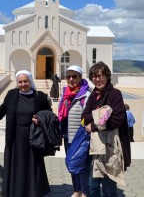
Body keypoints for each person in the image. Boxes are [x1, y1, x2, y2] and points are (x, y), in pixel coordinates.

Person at [0, 70, 51, 197]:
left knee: (32, 164)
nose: (23, 84)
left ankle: (32, 191)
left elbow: (49, 114)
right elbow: (0, 112)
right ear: (17, 83)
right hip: (15, 136)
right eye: (20, 82)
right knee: (16, 165)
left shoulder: (39, 97)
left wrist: (40, 119)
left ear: (30, 81)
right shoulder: (11, 94)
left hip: (33, 137)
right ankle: (16, 191)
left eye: (25, 81)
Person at [82, 61, 131, 197]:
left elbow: (117, 119)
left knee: (109, 187)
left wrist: (95, 125)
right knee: (92, 186)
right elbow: (85, 116)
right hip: (95, 148)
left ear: (107, 76)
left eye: (101, 75)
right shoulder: (93, 95)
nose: (98, 79)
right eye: (95, 76)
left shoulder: (115, 94)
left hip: (110, 147)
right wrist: (100, 117)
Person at [58, 65, 91, 197]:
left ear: (80, 77)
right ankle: (76, 190)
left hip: (81, 137)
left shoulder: (86, 94)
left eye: (74, 76)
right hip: (68, 136)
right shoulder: (65, 94)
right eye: (68, 76)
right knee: (72, 165)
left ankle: (84, 192)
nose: (71, 79)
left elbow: (89, 115)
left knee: (81, 166)